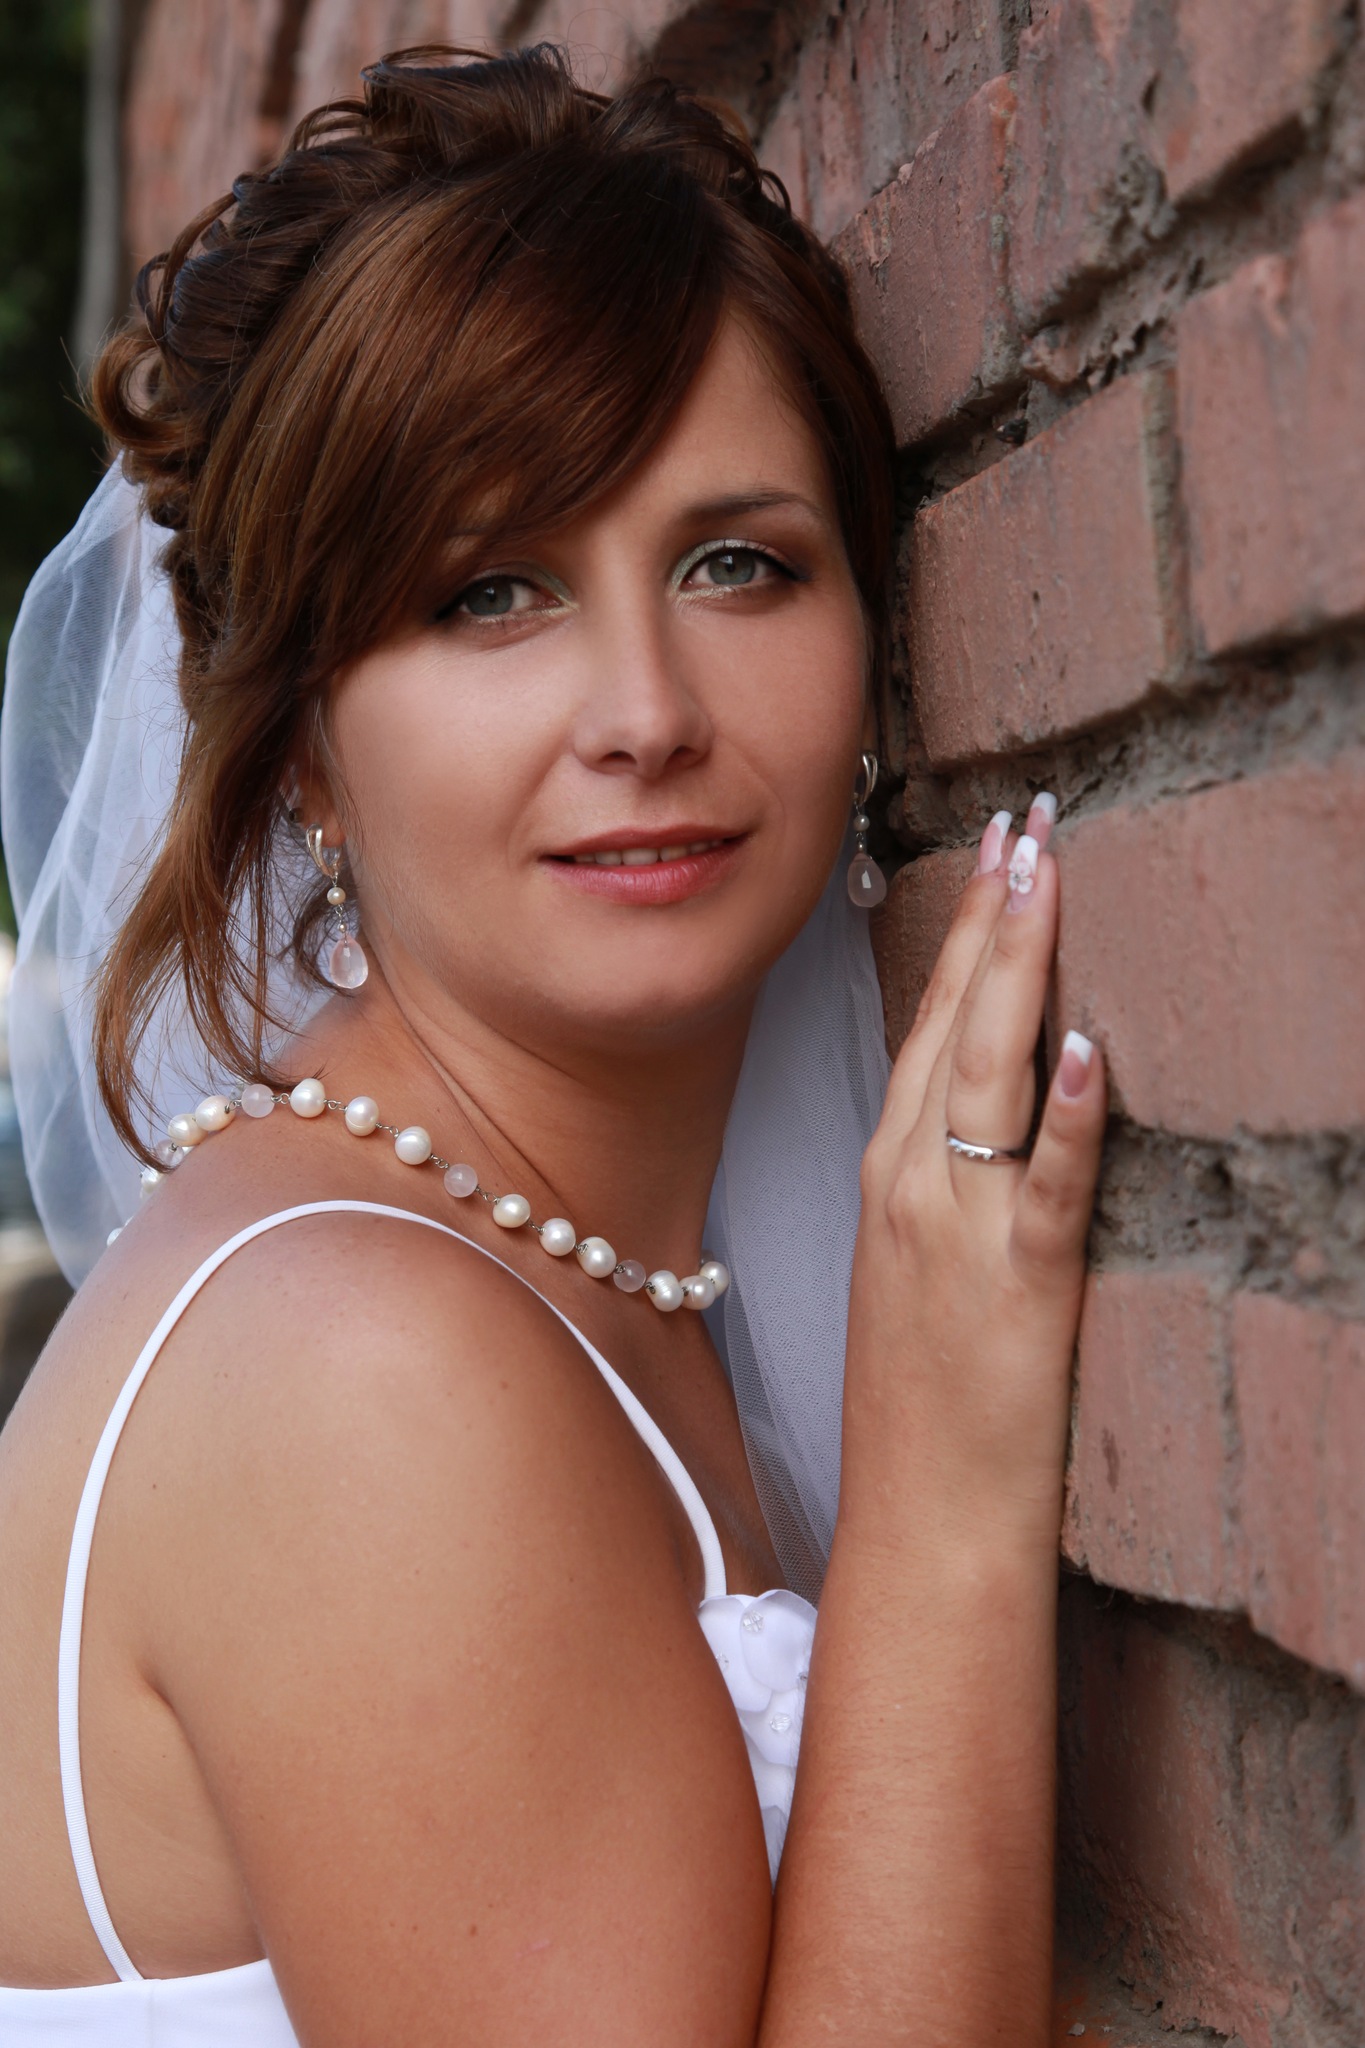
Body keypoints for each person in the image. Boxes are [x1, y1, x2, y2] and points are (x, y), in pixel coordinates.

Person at [0, 44, 1105, 2045]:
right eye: (491, 592)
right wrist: (943, 1492)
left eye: (735, 563)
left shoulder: (528, 1262)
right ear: (301, 745)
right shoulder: (361, 1368)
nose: (645, 711)